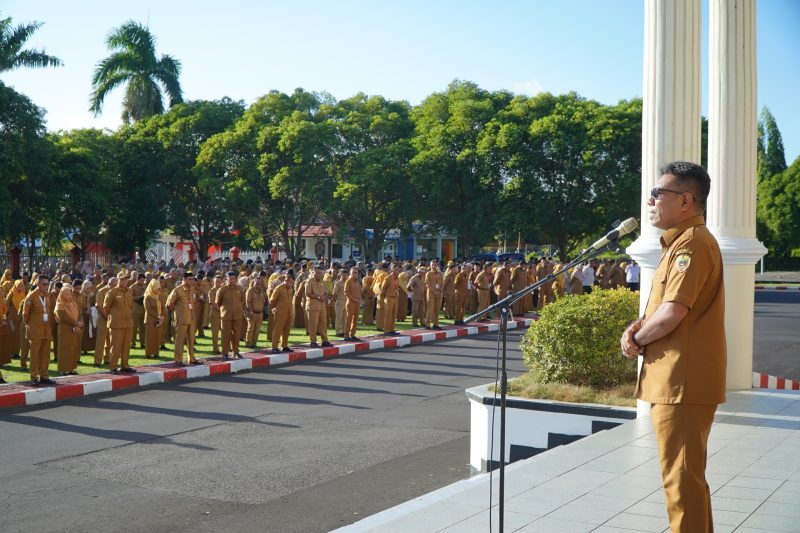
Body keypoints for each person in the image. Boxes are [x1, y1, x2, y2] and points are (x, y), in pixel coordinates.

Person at [621, 161, 725, 533]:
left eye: (657, 193)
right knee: (686, 480)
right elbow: (664, 309)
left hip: (682, 381)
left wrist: (636, 339)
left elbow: (673, 312)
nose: (650, 201)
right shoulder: (681, 242)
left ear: (685, 201)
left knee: (681, 483)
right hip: (678, 379)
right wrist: (638, 327)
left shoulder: (691, 244)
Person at [22, 274, 56, 386]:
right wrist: (30, 326)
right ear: (38, 284)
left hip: (46, 330)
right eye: (44, 284)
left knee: (45, 354)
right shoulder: (31, 296)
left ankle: (44, 376)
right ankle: (34, 377)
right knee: (35, 354)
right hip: (35, 330)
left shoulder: (47, 295)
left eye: (47, 284)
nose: (46, 286)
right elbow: (25, 315)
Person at [103, 271, 135, 374]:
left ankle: (125, 365)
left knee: (126, 346)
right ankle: (113, 367)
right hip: (116, 324)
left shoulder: (130, 291)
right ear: (118, 280)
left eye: (126, 279)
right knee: (115, 347)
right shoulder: (112, 292)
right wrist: (113, 317)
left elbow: (130, 306)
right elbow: (106, 307)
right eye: (122, 279)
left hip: (128, 323)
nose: (124, 281)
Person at [167, 273, 201, 365]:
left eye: (192, 279)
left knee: (191, 339)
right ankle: (178, 359)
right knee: (180, 340)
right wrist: (178, 312)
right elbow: (170, 304)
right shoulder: (177, 290)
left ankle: (192, 358)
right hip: (181, 319)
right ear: (184, 279)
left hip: (191, 318)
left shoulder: (193, 289)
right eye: (189, 279)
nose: (191, 281)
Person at [54, 284, 83, 375]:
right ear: (62, 294)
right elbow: (63, 318)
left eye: (70, 293)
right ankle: (63, 369)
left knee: (74, 349)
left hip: (75, 329)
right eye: (67, 293)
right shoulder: (60, 304)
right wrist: (76, 323)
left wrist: (79, 323)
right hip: (65, 329)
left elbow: (79, 313)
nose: (70, 295)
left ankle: (71, 369)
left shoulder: (74, 303)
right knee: (65, 350)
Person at [216, 271, 245, 359]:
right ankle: (225, 352)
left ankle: (236, 351)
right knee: (225, 335)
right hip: (226, 316)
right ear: (226, 279)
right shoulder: (222, 289)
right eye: (230, 278)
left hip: (237, 315)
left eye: (233, 279)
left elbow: (242, 301)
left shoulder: (239, 289)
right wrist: (224, 311)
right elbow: (218, 303)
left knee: (236, 334)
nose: (232, 280)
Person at [305, 266, 333, 348]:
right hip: (312, 306)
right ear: (314, 272)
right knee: (313, 325)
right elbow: (307, 293)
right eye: (317, 273)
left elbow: (326, 292)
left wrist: (324, 297)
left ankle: (325, 340)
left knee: (323, 324)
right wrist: (318, 297)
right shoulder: (309, 281)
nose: (319, 275)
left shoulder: (322, 281)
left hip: (322, 306)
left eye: (320, 273)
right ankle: (313, 341)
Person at [269, 273, 294, 353]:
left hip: (289, 312)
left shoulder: (290, 289)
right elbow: (272, 300)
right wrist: (274, 309)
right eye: (290, 282)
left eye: (292, 282)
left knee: (287, 330)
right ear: (286, 280)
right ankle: (274, 347)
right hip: (280, 312)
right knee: (278, 329)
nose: (291, 284)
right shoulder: (279, 288)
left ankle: (284, 345)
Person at [143, 279, 164, 359]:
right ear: (152, 288)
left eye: (159, 288)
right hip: (150, 319)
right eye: (157, 288)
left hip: (159, 319)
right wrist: (158, 316)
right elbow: (148, 310)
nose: (158, 290)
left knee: (157, 337)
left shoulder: (159, 296)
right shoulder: (147, 297)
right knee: (150, 337)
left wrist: (162, 316)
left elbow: (163, 306)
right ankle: (148, 353)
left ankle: (156, 353)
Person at [245, 277, 265, 349]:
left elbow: (263, 301)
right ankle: (248, 343)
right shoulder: (250, 291)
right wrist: (250, 312)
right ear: (253, 283)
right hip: (252, 313)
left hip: (260, 313)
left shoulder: (261, 291)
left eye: (260, 283)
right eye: (257, 283)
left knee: (257, 329)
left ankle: (254, 343)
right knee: (250, 328)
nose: (258, 285)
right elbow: (248, 302)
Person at [379, 265, 400, 335]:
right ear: (391, 270)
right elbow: (383, 288)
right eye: (395, 270)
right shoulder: (387, 278)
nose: (397, 271)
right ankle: (387, 330)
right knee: (388, 314)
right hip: (388, 298)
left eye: (397, 270)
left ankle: (391, 329)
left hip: (395, 298)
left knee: (394, 314)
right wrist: (383, 297)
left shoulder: (397, 279)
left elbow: (397, 288)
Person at [343, 268, 362, 341]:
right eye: (353, 272)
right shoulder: (348, 281)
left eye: (356, 272)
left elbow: (359, 291)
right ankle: (346, 335)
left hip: (357, 303)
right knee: (349, 319)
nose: (355, 274)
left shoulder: (358, 281)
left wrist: (360, 299)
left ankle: (352, 334)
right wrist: (354, 299)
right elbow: (346, 292)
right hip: (351, 303)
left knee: (355, 319)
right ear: (350, 273)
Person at [424, 261, 444, 330]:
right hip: (431, 293)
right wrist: (434, 291)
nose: (433, 266)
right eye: (432, 265)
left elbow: (443, 283)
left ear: (437, 265)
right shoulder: (428, 274)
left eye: (435, 265)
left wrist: (440, 290)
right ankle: (427, 324)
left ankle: (436, 324)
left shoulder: (440, 274)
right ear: (430, 266)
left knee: (437, 309)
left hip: (439, 293)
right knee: (430, 309)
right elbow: (427, 284)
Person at [208, 275, 223, 354]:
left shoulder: (223, 290)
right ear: (214, 282)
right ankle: (216, 349)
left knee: (225, 332)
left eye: (219, 281)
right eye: (216, 281)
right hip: (215, 314)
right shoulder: (212, 291)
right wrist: (222, 310)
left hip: (224, 314)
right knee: (215, 333)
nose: (218, 283)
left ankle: (226, 348)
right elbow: (213, 304)